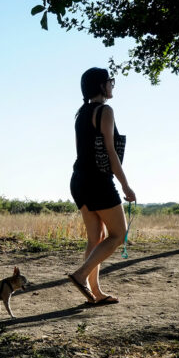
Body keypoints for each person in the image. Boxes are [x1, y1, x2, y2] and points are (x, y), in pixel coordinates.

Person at [67, 67, 136, 305]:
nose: (112, 85)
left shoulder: (81, 114)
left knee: (96, 239)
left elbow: (80, 150)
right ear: (100, 86)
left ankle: (94, 293)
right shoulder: (105, 111)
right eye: (110, 82)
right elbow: (110, 151)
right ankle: (80, 275)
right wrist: (125, 186)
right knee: (118, 234)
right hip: (98, 181)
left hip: (79, 180)